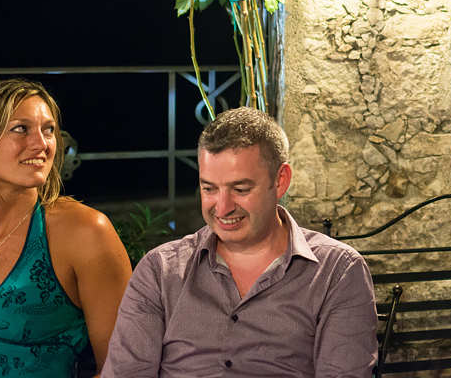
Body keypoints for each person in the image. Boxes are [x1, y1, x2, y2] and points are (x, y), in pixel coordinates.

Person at [102, 107, 377, 377]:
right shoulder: (159, 271)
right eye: (209, 188)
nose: (222, 209)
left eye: (240, 189)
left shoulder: (338, 271)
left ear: (280, 181)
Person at [0, 78, 132, 377]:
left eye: (48, 130)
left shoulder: (85, 232)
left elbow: (125, 369)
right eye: (20, 129)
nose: (42, 144)